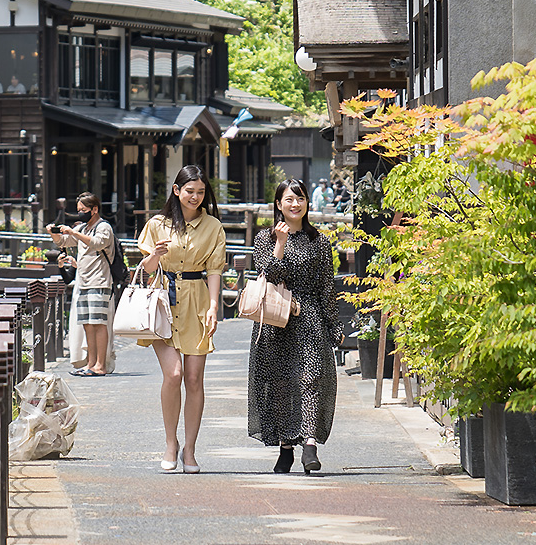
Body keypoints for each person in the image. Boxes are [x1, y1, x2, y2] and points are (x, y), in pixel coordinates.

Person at [248, 178, 341, 474]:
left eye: (300, 199)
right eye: (289, 199)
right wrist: (281, 243)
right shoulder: (265, 237)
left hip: (310, 316)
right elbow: (268, 274)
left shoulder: (320, 241)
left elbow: (327, 286)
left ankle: (309, 444)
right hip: (276, 318)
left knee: (311, 378)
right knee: (280, 384)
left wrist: (333, 324)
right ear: (278, 204)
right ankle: (286, 447)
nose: (295, 204)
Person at [137, 165, 226, 473]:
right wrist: (156, 255)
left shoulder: (213, 226)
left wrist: (214, 305)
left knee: (194, 379)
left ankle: (190, 449)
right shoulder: (157, 224)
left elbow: (214, 269)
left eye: (201, 192)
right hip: (162, 300)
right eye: (190, 191)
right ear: (176, 190)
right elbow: (146, 269)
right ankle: (170, 443)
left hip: (197, 301)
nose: (195, 197)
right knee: (173, 374)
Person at [50, 192, 117, 377]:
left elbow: (98, 244)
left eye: (83, 210)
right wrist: (54, 234)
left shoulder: (103, 227)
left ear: (94, 209)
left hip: (100, 281)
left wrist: (74, 232)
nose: (80, 214)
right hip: (84, 282)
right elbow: (64, 241)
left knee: (99, 324)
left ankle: (101, 365)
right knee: (87, 324)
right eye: (78, 210)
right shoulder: (84, 229)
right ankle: (91, 364)